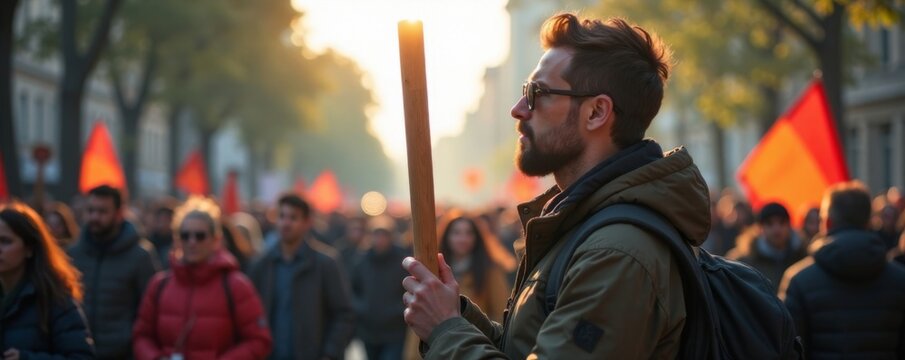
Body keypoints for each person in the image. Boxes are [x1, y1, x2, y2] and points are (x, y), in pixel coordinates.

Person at [400, 13, 710, 358]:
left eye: (537, 93)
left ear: (596, 113)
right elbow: (526, 348)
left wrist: (445, 329)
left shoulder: (618, 253)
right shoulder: (584, 227)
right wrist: (454, 314)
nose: (518, 109)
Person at [133, 197, 272, 359]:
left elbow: (259, 340)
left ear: (216, 240)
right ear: (177, 240)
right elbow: (141, 336)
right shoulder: (159, 284)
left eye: (200, 236)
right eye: (185, 236)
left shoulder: (236, 286)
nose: (192, 242)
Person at [780, 181, 905, 359]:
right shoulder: (900, 279)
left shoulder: (799, 279)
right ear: (869, 221)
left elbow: (789, 351)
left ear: (828, 223)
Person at [247, 194, 355, 360]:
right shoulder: (262, 264)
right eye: (282, 216)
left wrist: (330, 353)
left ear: (307, 223)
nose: (286, 223)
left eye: (293, 217)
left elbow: (343, 314)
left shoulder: (326, 263)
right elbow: (251, 315)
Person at [67, 185, 161, 359]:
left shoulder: (140, 256)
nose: (95, 217)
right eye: (91, 210)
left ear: (119, 214)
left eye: (102, 211)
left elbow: (151, 311)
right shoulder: (74, 254)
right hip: (80, 352)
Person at [0, 202, 94, 359]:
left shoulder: (55, 299)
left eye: (6, 241)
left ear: (29, 248)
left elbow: (81, 356)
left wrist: (27, 358)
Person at [438, 210, 515, 322]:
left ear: (476, 237)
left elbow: (501, 313)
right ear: (446, 236)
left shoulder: (490, 270)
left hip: (476, 336)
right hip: (441, 336)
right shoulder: (435, 269)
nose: (463, 239)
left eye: (469, 233)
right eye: (456, 233)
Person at [349, 226, 409, 360]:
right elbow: (352, 289)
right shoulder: (361, 260)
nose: (380, 240)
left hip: (395, 329)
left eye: (384, 235)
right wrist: (362, 307)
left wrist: (399, 309)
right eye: (377, 235)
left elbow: (409, 289)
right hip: (368, 328)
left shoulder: (401, 261)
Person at [726, 202, 807, 292]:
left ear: (789, 225)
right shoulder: (743, 261)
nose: (776, 229)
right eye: (769, 223)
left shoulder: (803, 256)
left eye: (782, 222)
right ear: (760, 228)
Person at [148, 204, 176, 269]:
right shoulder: (149, 242)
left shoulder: (177, 242)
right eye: (160, 219)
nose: (162, 223)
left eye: (165, 219)